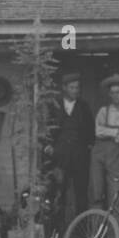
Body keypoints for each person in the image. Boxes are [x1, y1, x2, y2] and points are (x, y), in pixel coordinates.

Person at [44, 71, 94, 226]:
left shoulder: (84, 106)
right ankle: (58, 230)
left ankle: (81, 230)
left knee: (81, 193)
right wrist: (48, 145)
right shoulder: (54, 105)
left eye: (77, 88)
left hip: (80, 156)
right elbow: (46, 127)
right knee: (59, 192)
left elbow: (91, 131)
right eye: (72, 87)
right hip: (59, 156)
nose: (75, 90)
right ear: (64, 88)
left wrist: (86, 148)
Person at [90, 74, 119, 212]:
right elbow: (98, 131)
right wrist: (116, 133)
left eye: (118, 92)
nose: (115, 95)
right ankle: (96, 232)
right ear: (109, 94)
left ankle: (115, 233)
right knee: (96, 193)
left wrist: (110, 133)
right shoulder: (103, 111)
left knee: (115, 195)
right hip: (98, 155)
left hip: (116, 158)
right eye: (112, 93)